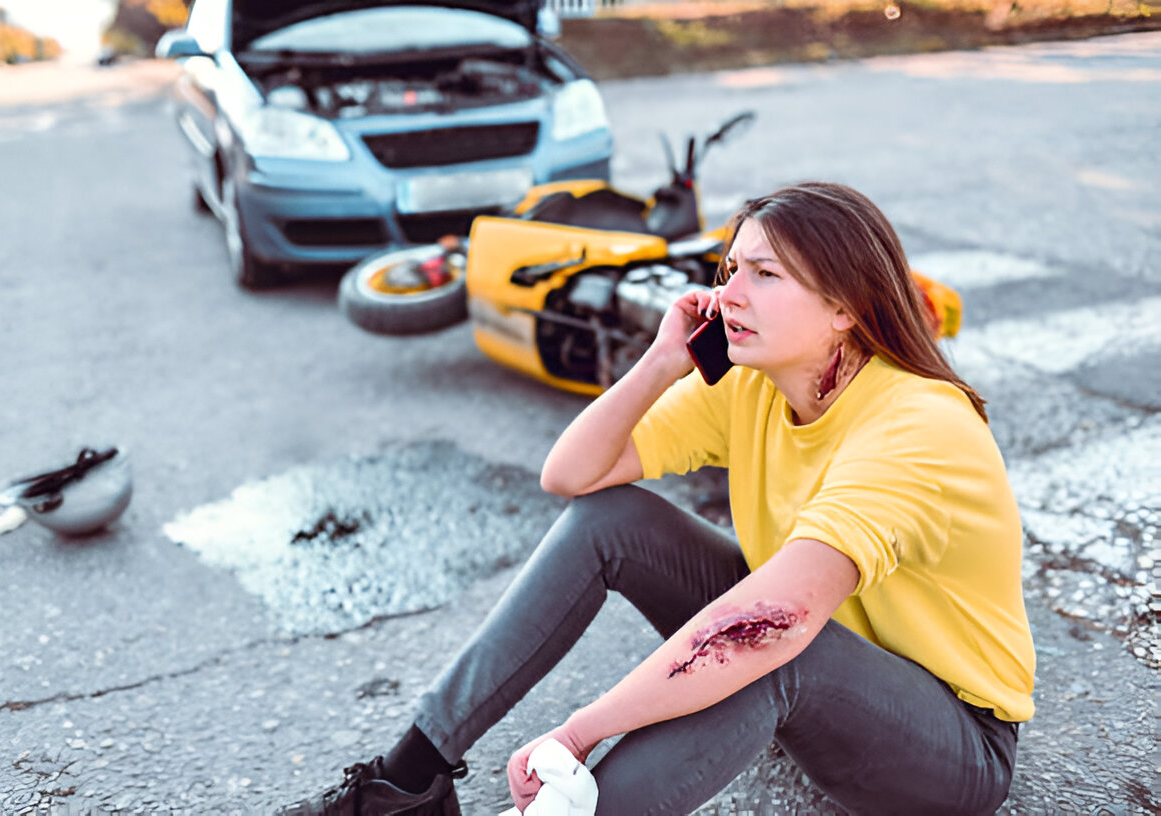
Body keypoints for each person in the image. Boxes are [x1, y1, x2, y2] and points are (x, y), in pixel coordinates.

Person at [280, 182, 1035, 816]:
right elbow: (571, 475)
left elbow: (772, 625)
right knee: (614, 519)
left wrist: (580, 732)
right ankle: (405, 783)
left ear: (845, 307)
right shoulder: (752, 384)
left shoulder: (915, 424)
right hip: (818, 672)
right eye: (731, 268)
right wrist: (661, 361)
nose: (727, 293)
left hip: (951, 745)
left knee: (768, 640)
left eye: (764, 275)